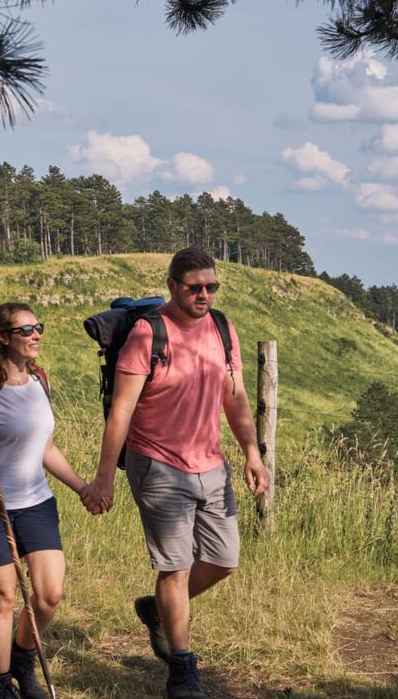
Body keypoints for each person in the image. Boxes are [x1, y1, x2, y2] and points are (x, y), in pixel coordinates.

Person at [81, 247, 270, 699]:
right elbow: (121, 411)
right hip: (158, 464)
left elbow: (236, 397)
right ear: (172, 286)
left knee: (224, 562)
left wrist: (252, 452)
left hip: (212, 464)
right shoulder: (149, 334)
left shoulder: (223, 328)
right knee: (176, 567)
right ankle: (182, 670)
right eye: (194, 288)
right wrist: (104, 476)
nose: (204, 295)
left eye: (211, 287)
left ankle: (157, 611)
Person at [0, 301, 89, 699]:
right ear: (2, 339)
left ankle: (23, 657)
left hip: (36, 501)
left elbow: (46, 448)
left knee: (48, 595)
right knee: (3, 597)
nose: (36, 335)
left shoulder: (39, 381)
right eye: (26, 330)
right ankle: (0, 687)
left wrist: (81, 487)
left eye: (37, 327)